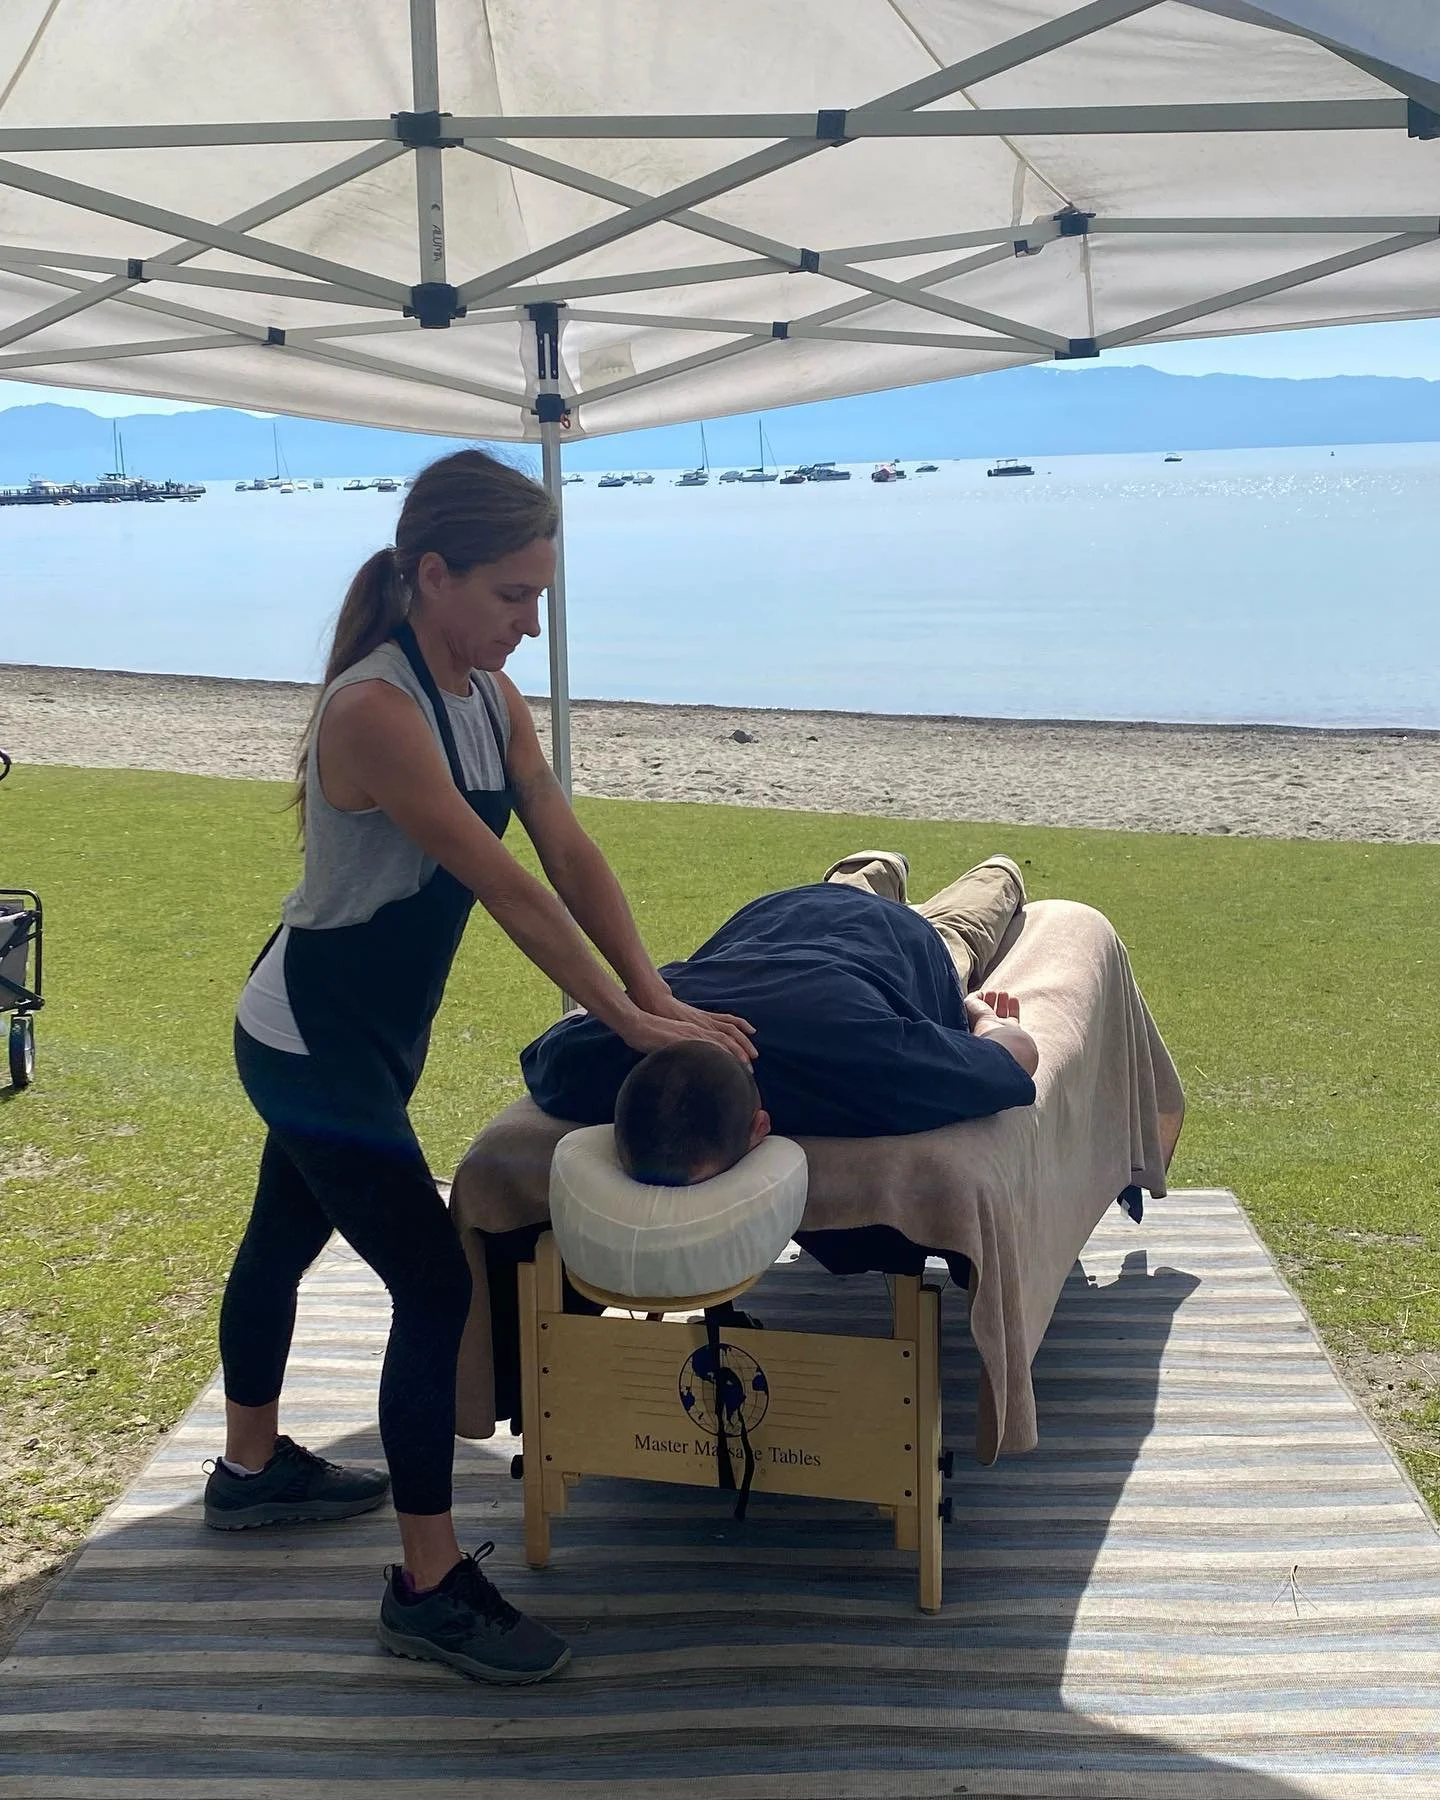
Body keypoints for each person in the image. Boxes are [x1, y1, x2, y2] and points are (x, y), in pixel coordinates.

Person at [208, 450, 755, 1688]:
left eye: (542, 595)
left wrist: (657, 993)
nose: (534, 621)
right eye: (514, 595)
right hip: (307, 1041)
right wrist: (626, 1023)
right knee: (434, 1284)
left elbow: (563, 843)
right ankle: (428, 1585)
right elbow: (502, 884)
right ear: (434, 573)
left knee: (282, 1238)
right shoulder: (375, 709)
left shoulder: (486, 696)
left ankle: (249, 1475)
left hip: (362, 1040)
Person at [522, 849, 1040, 1187]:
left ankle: (999, 873)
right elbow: (545, 1049)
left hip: (898, 939)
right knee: (849, 897)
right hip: (778, 916)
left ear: (760, 1127)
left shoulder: (868, 1065)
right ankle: (866, 872)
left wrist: (975, 1013)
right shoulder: (596, 1057)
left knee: (959, 935)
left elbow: (1017, 1056)